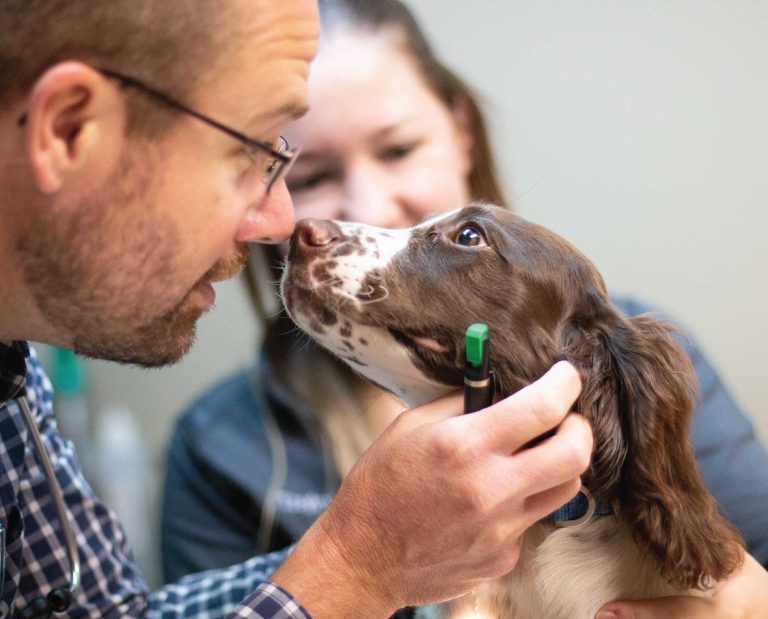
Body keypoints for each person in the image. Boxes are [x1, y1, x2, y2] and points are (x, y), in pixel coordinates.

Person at [161, 0, 768, 617]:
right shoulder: (221, 447)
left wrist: (752, 603)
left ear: (461, 131)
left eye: (397, 149)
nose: (364, 208)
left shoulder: (642, 374)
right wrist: (359, 562)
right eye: (310, 174)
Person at [0, 1, 600, 617]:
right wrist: (358, 566)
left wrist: (363, 557)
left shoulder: (15, 388)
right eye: (247, 155)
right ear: (69, 128)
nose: (283, 222)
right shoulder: (215, 441)